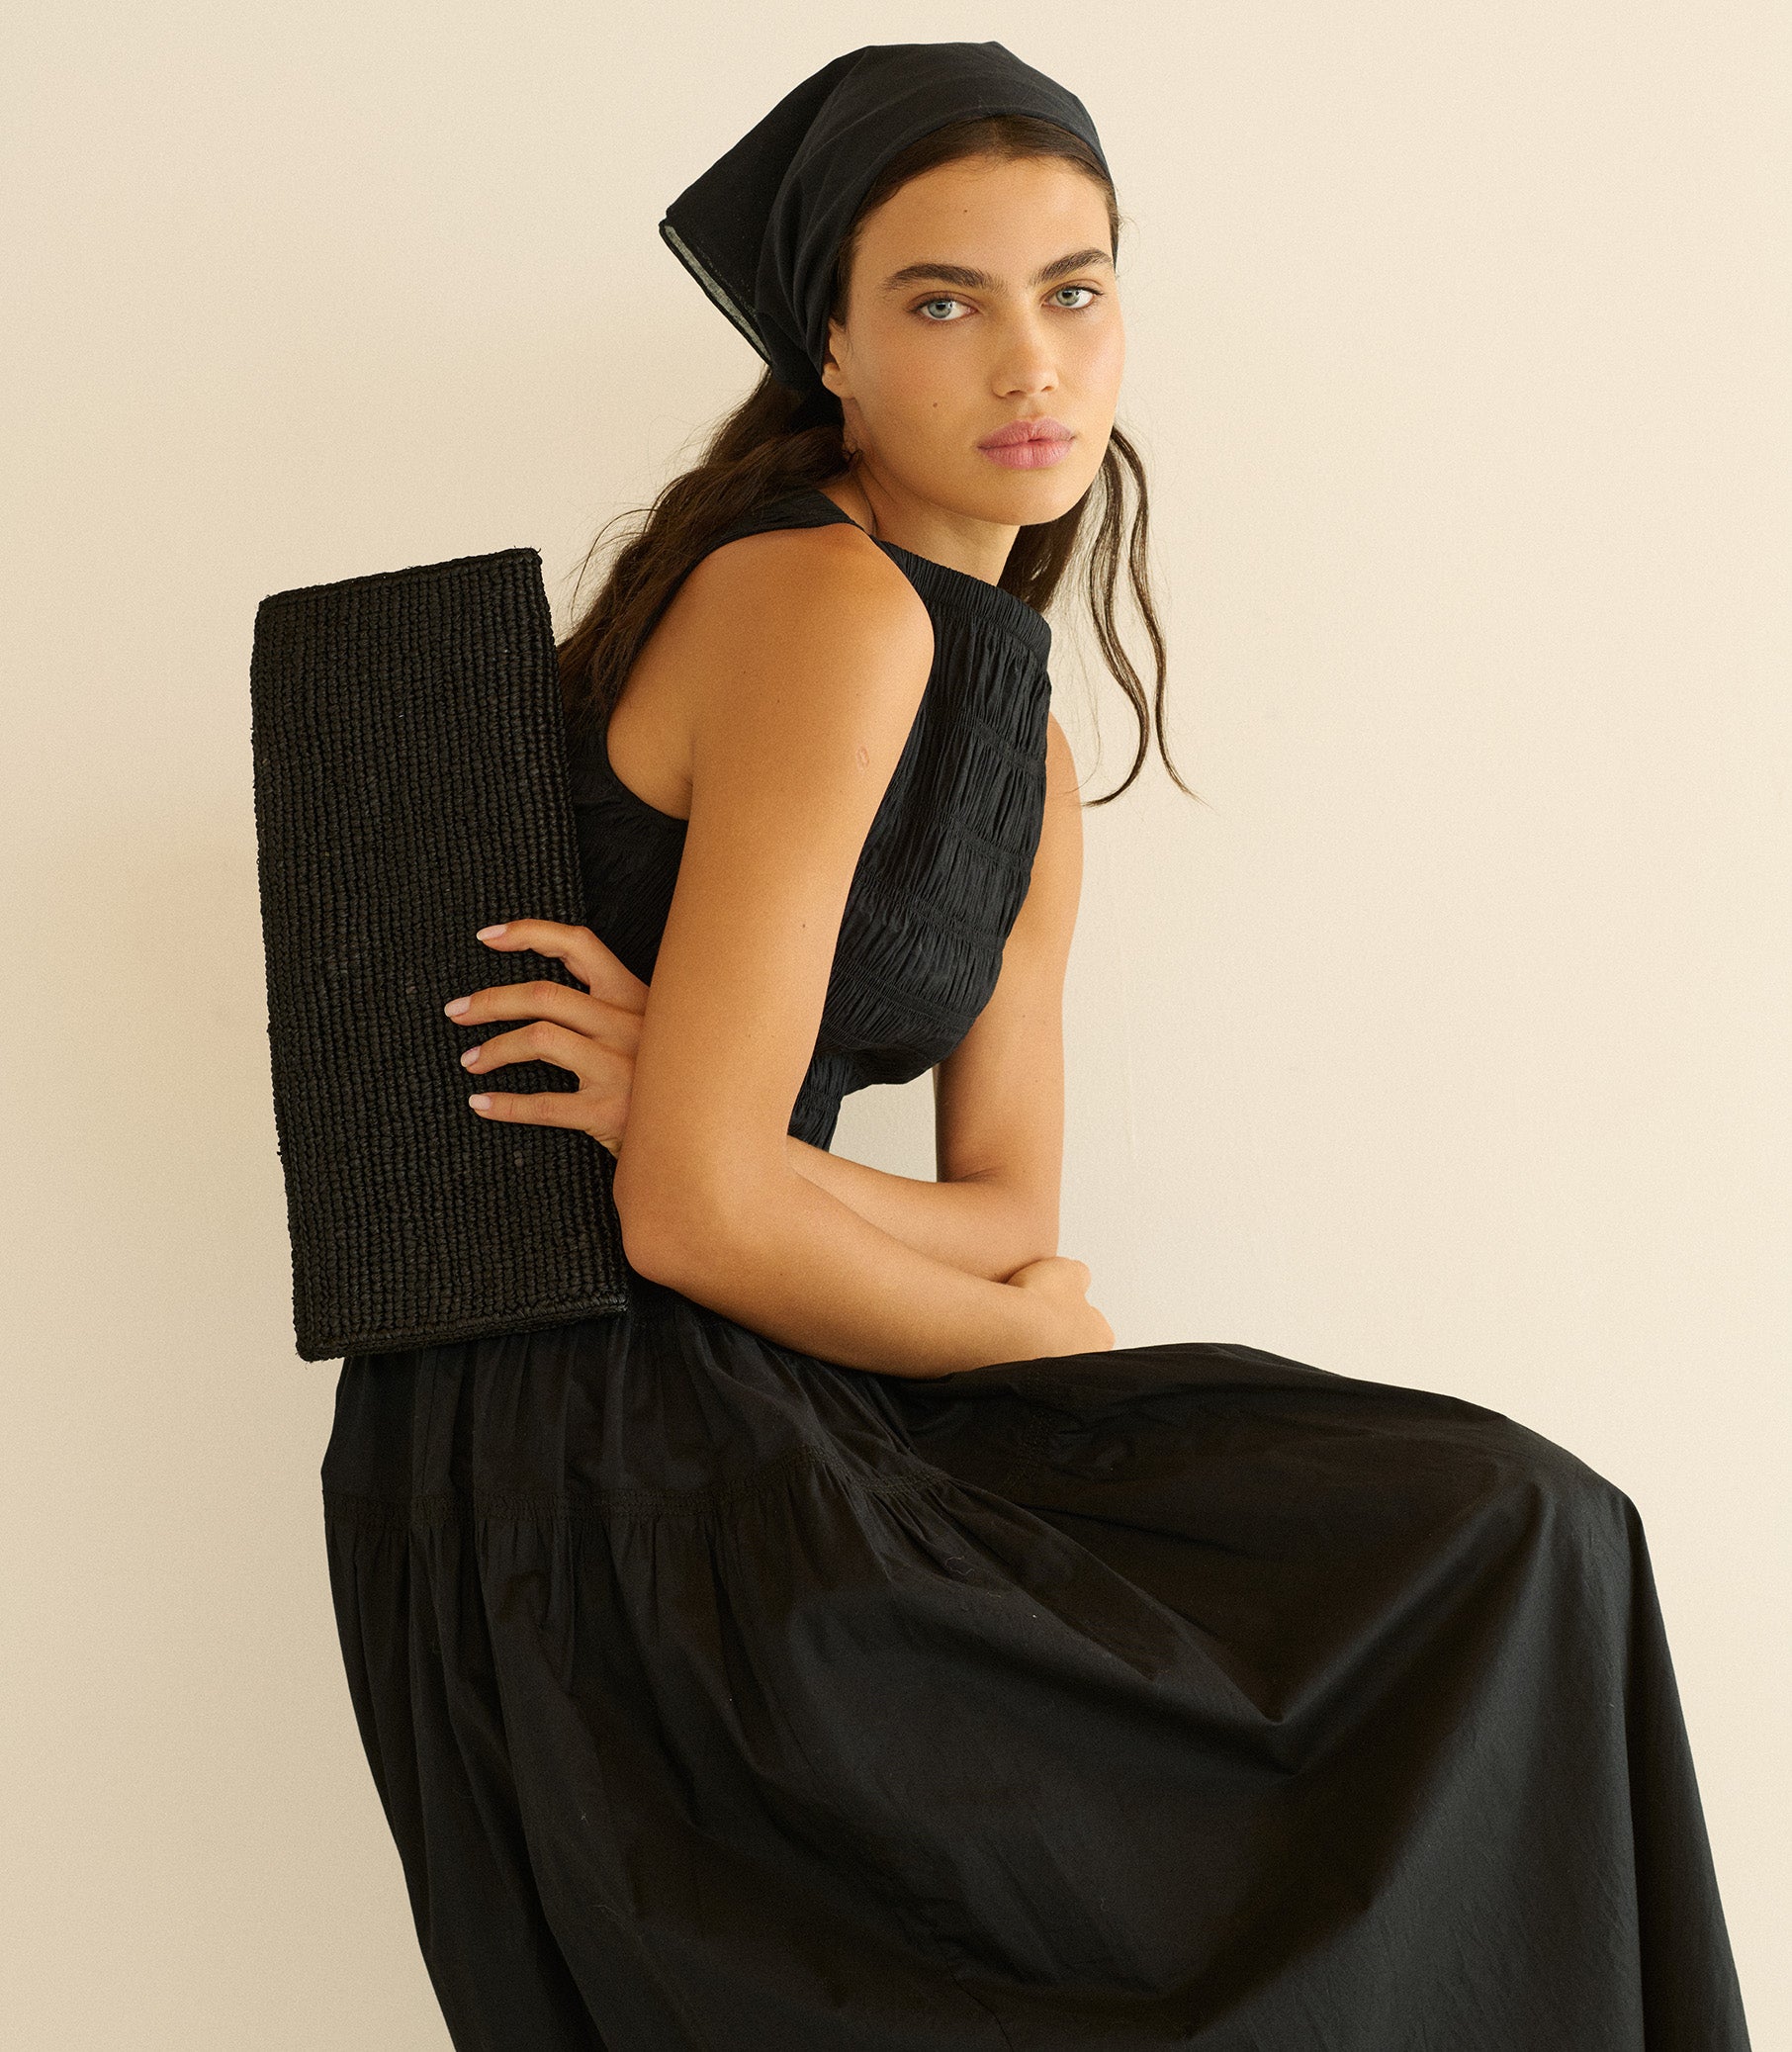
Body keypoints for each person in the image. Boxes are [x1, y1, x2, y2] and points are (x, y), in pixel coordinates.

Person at [320, 41, 1752, 2051]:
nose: (1031, 364)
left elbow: (990, 1207)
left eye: (1075, 291)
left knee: (1521, 1541)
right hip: (603, 1447)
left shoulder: (1034, 758)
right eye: (944, 301)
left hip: (793, 1373)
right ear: (826, 338)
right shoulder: (825, 611)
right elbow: (705, 1225)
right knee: (1493, 1558)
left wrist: (729, 1138)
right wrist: (1041, 1330)